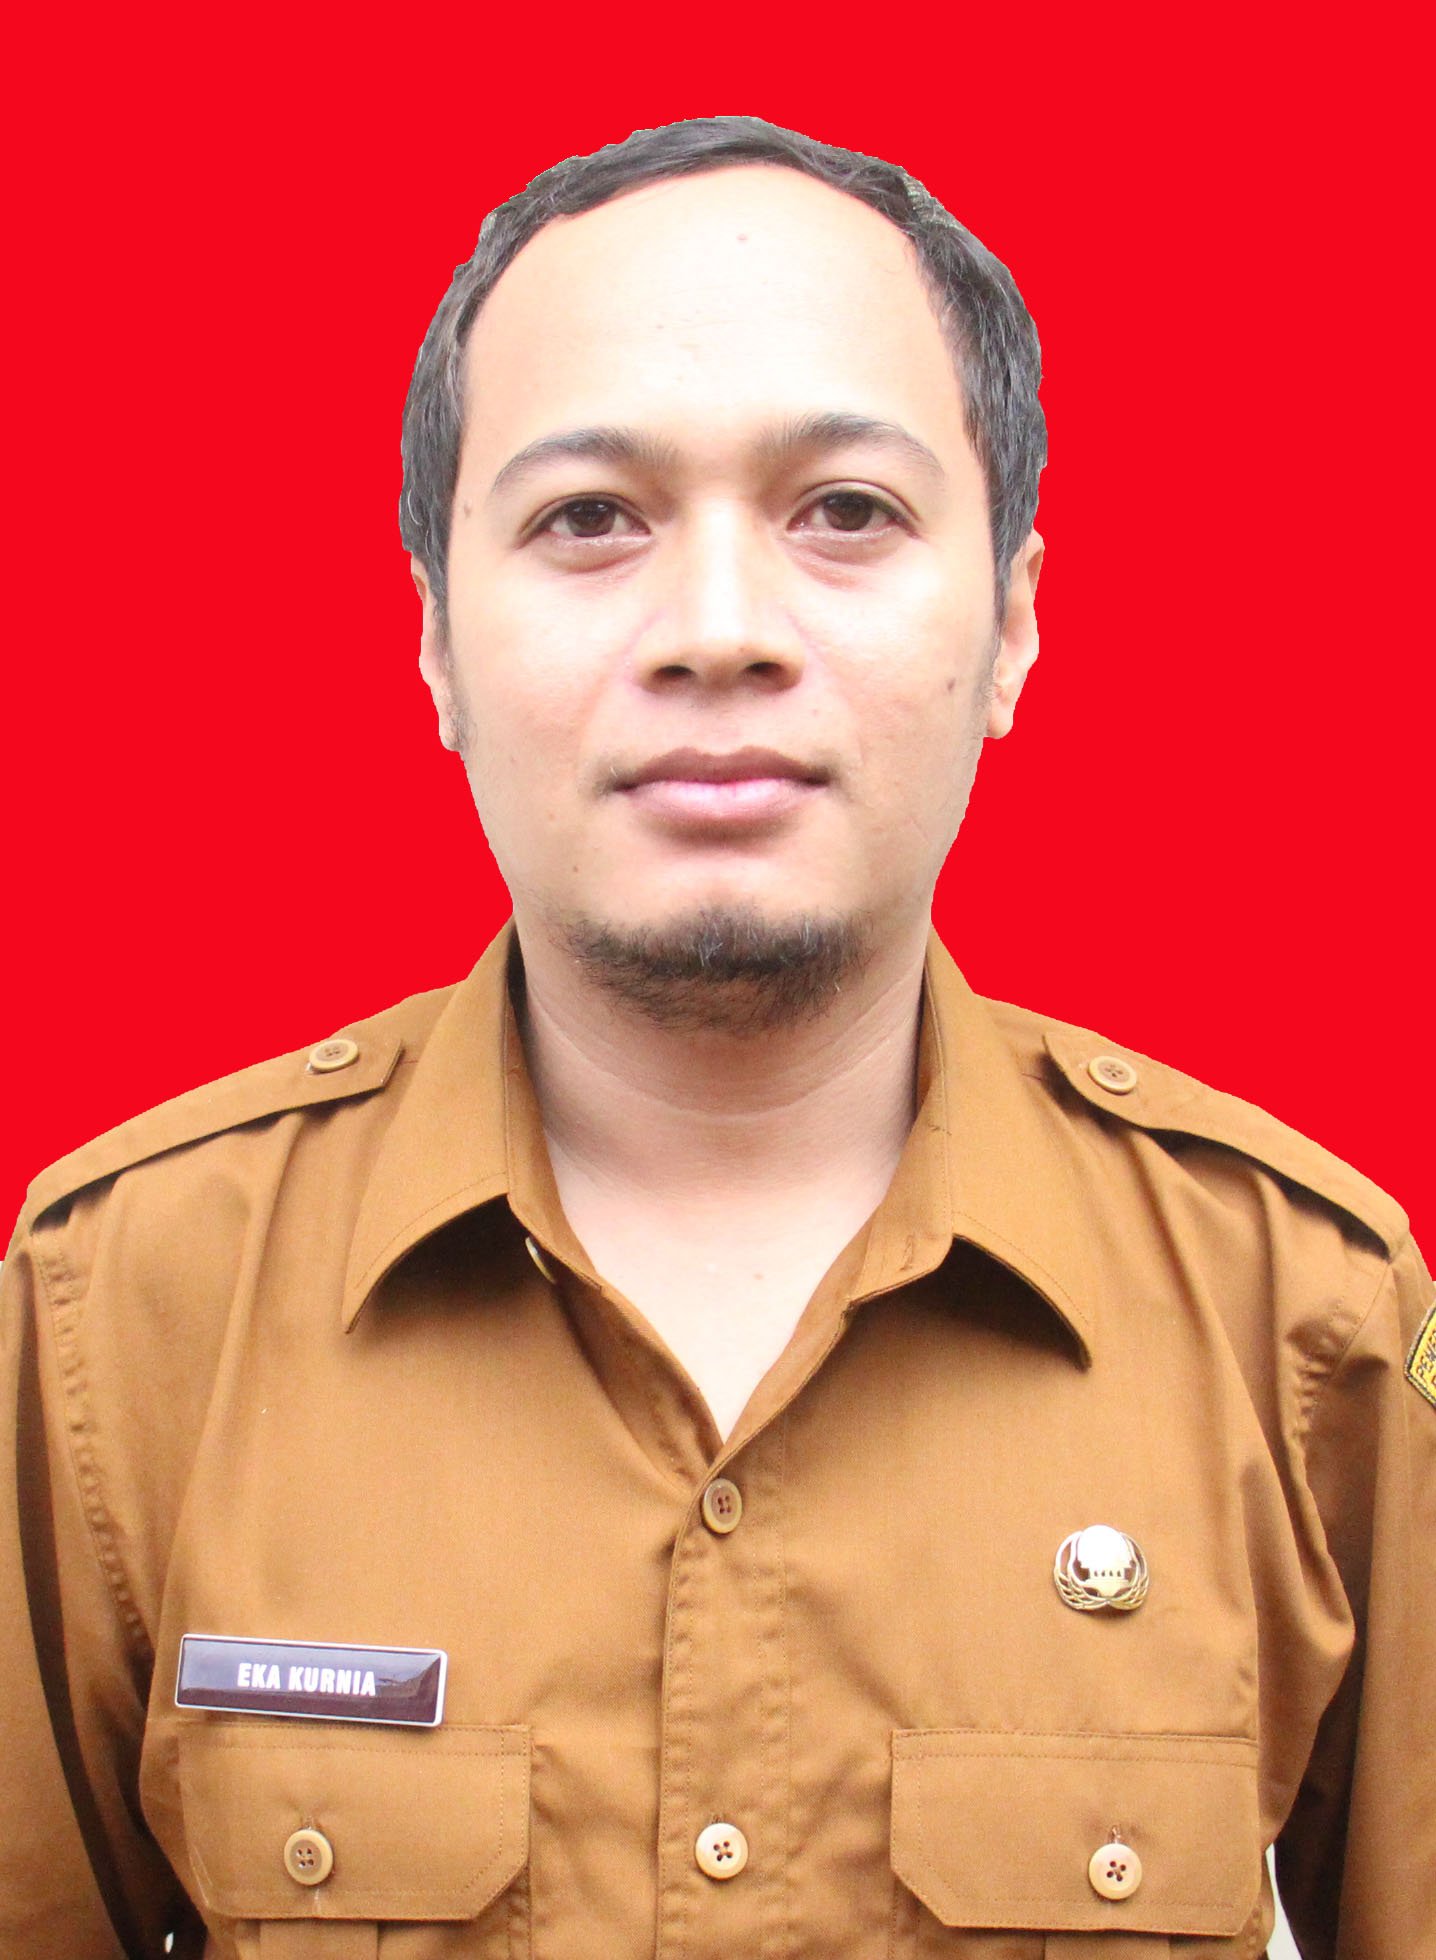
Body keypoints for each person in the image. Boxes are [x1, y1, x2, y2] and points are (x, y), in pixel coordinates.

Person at [2, 114, 1431, 1960]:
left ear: (1014, 621)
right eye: (590, 519)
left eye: (847, 511)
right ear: (433, 639)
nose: (721, 630)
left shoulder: (1303, 1314)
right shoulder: (120, 1312)